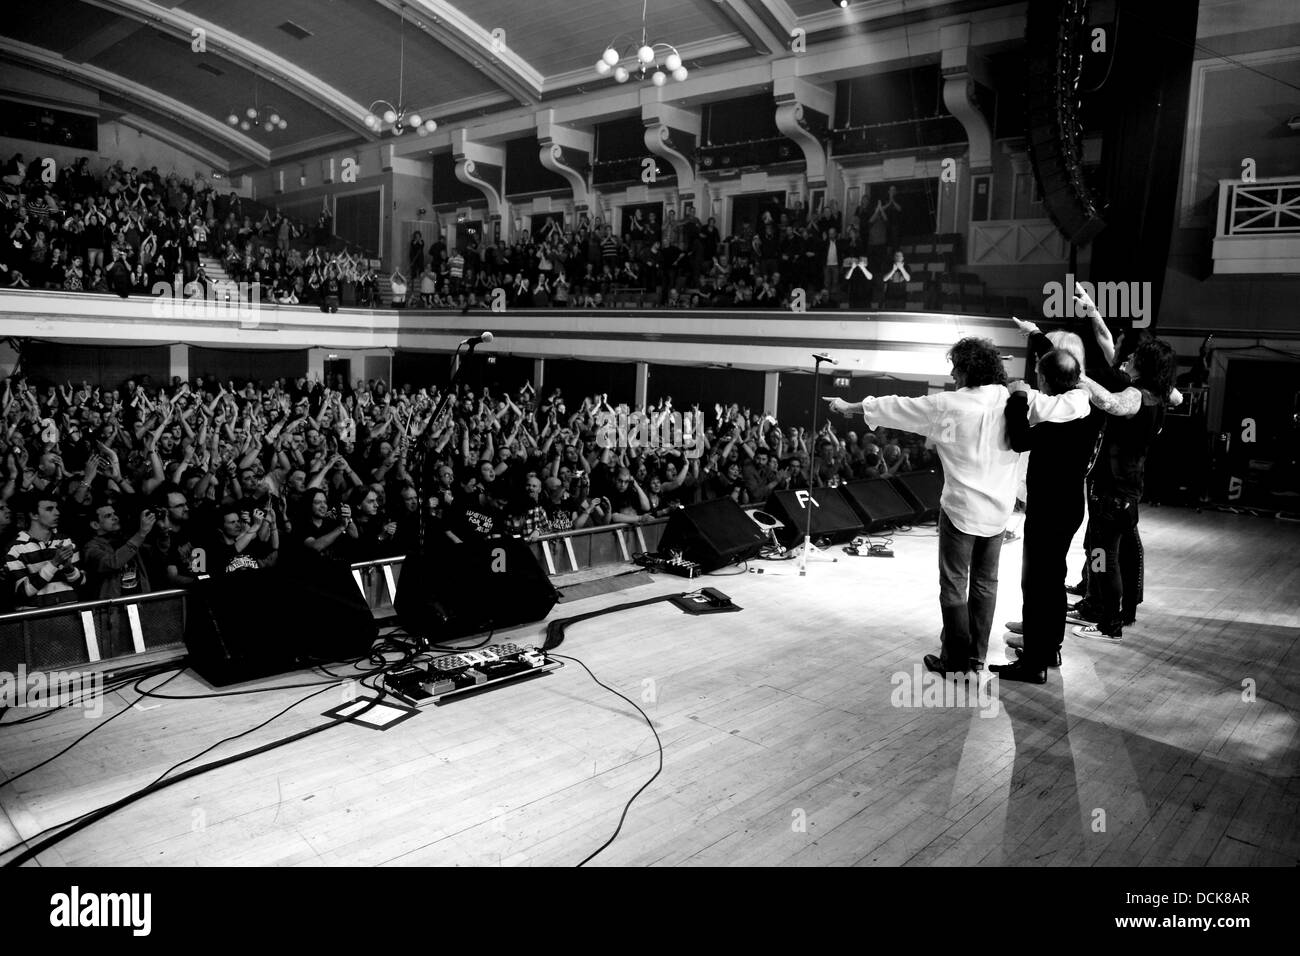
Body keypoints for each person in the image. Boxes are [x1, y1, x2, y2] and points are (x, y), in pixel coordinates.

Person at [825, 337, 1089, 676]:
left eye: (954, 367)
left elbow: (894, 406)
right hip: (997, 513)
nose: (951, 374)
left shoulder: (945, 404)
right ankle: (976, 656)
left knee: (954, 584)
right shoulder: (1014, 398)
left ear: (966, 369)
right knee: (985, 584)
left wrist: (850, 407)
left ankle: (954, 660)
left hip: (960, 511)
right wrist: (1080, 386)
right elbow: (1074, 404)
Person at [991, 344, 1095, 683]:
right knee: (1052, 581)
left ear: (1047, 380)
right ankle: (1049, 648)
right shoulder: (1084, 410)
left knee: (1035, 583)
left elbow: (1019, 439)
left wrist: (1019, 398)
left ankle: (1034, 663)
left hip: (1049, 509)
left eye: (1039, 377)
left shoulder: (1057, 420)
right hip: (1070, 506)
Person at [1067, 335, 1178, 642]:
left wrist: (1081, 378)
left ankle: (1109, 624)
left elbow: (1110, 403)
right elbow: (1175, 395)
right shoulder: (1162, 394)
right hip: (1127, 487)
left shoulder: (1137, 394)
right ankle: (1105, 612)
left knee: (1105, 556)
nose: (1129, 357)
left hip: (1113, 489)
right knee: (1102, 552)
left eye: (1136, 355)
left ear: (1145, 363)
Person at [5, 494, 86, 609]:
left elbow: (82, 583)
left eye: (56, 508)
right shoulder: (15, 549)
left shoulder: (67, 541)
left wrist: (69, 568)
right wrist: (54, 564)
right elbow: (22, 592)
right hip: (36, 620)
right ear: (34, 515)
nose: (57, 512)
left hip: (69, 614)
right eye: (49, 509)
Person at [82, 503, 156, 600]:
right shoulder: (91, 548)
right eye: (108, 516)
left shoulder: (126, 539)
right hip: (112, 609)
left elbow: (156, 556)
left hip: (141, 602)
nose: (115, 518)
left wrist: (164, 534)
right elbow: (112, 563)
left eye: (114, 514)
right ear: (95, 525)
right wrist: (141, 534)